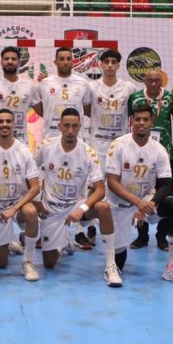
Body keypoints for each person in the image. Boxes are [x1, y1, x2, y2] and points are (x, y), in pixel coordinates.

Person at [105, 104, 173, 286]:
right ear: (132, 122)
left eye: (145, 119)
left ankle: (172, 266)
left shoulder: (159, 149)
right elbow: (112, 182)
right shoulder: (118, 145)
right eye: (138, 119)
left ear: (152, 122)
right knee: (119, 263)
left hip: (145, 203)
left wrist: (149, 204)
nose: (141, 123)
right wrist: (138, 203)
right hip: (119, 205)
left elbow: (167, 185)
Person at [34, 108, 120, 286]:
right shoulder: (46, 146)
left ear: (80, 127)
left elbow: (99, 190)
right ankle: (64, 240)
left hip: (77, 205)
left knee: (103, 208)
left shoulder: (88, 152)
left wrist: (82, 209)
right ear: (59, 126)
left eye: (74, 126)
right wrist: (36, 201)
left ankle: (111, 266)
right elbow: (29, 174)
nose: (71, 130)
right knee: (49, 264)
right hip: (51, 208)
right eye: (67, 125)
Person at [33, 47, 92, 249]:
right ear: (55, 61)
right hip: (50, 141)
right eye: (62, 59)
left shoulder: (83, 83)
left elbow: (87, 109)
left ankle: (79, 232)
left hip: (76, 142)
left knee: (78, 186)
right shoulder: (45, 83)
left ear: (73, 62)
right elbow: (39, 107)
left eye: (69, 59)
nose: (65, 62)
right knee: (46, 187)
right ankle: (47, 231)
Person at [83, 49, 137, 247]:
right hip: (97, 146)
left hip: (119, 149)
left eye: (114, 62)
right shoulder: (91, 87)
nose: (110, 65)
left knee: (116, 190)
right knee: (94, 189)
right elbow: (88, 111)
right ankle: (88, 227)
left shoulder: (129, 88)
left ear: (118, 65)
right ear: (101, 64)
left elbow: (133, 112)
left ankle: (115, 228)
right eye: (106, 61)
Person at [0, 109, 41, 281]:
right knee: (1, 264)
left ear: (14, 124)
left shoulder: (24, 151)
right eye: (1, 121)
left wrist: (14, 209)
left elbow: (35, 187)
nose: (4, 125)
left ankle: (28, 261)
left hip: (18, 207)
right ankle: (8, 243)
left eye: (8, 121)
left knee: (31, 212)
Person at [127, 69, 173, 251]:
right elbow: (130, 121)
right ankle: (142, 236)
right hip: (141, 155)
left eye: (157, 80)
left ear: (162, 81)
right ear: (144, 81)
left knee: (166, 196)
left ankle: (162, 237)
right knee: (141, 193)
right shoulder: (136, 98)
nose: (154, 84)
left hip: (165, 154)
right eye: (150, 80)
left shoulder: (171, 97)